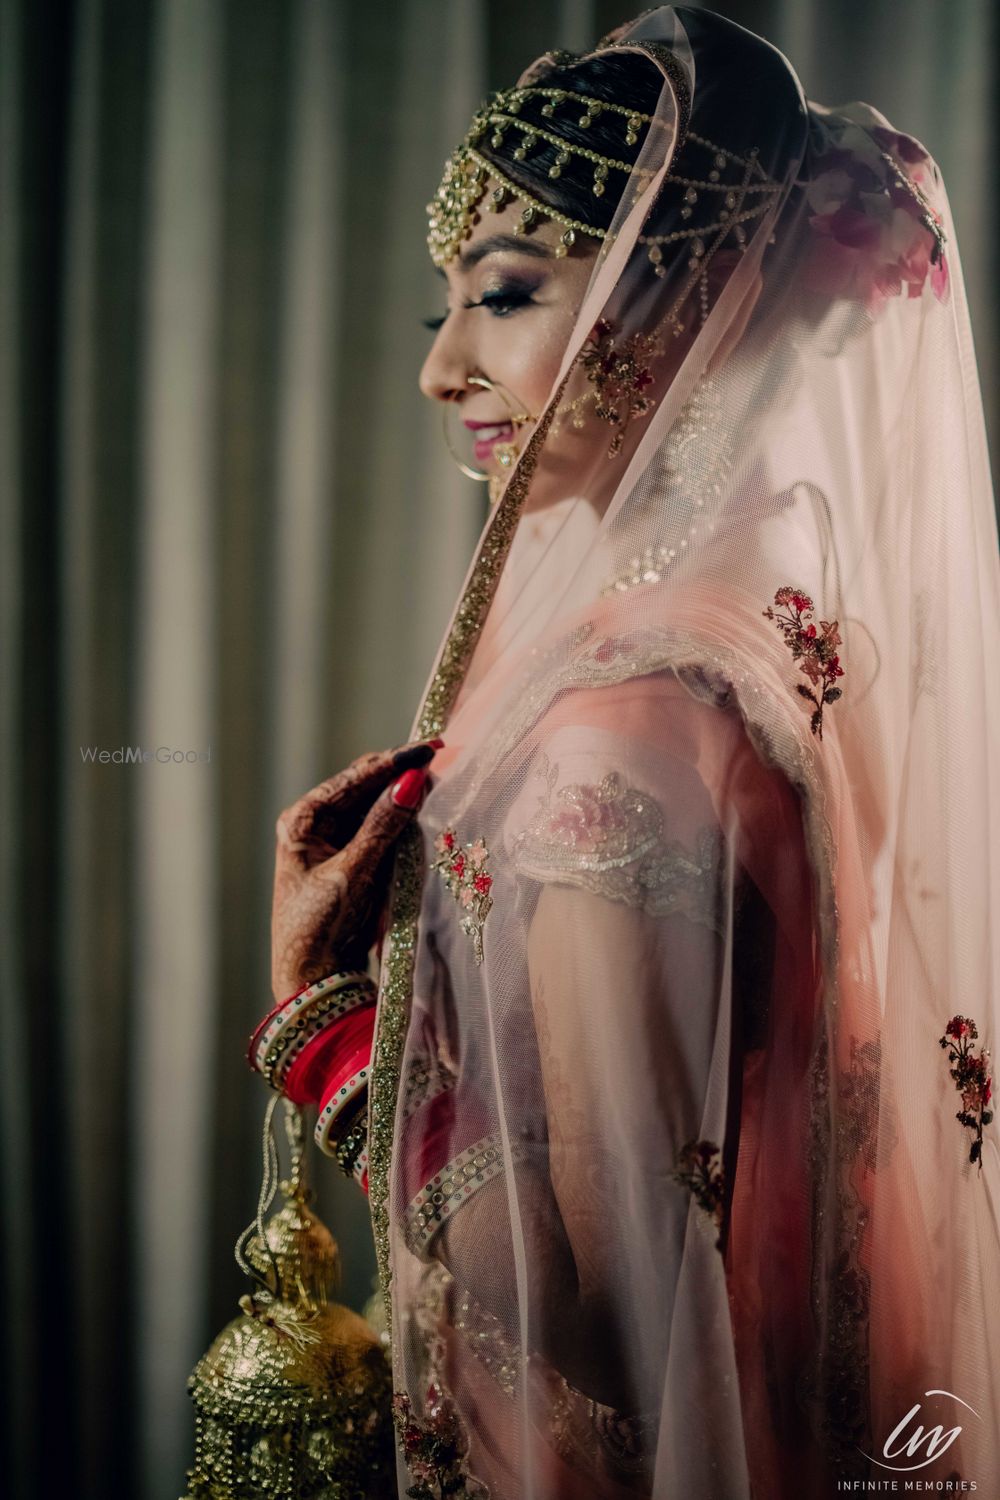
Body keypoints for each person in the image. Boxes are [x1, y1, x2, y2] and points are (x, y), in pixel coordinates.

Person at [257, 7, 1000, 1496]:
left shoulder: (621, 731)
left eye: (508, 294)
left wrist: (320, 1027)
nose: (444, 370)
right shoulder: (749, 649)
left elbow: (603, 1309)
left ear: (686, 297)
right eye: (444, 310)